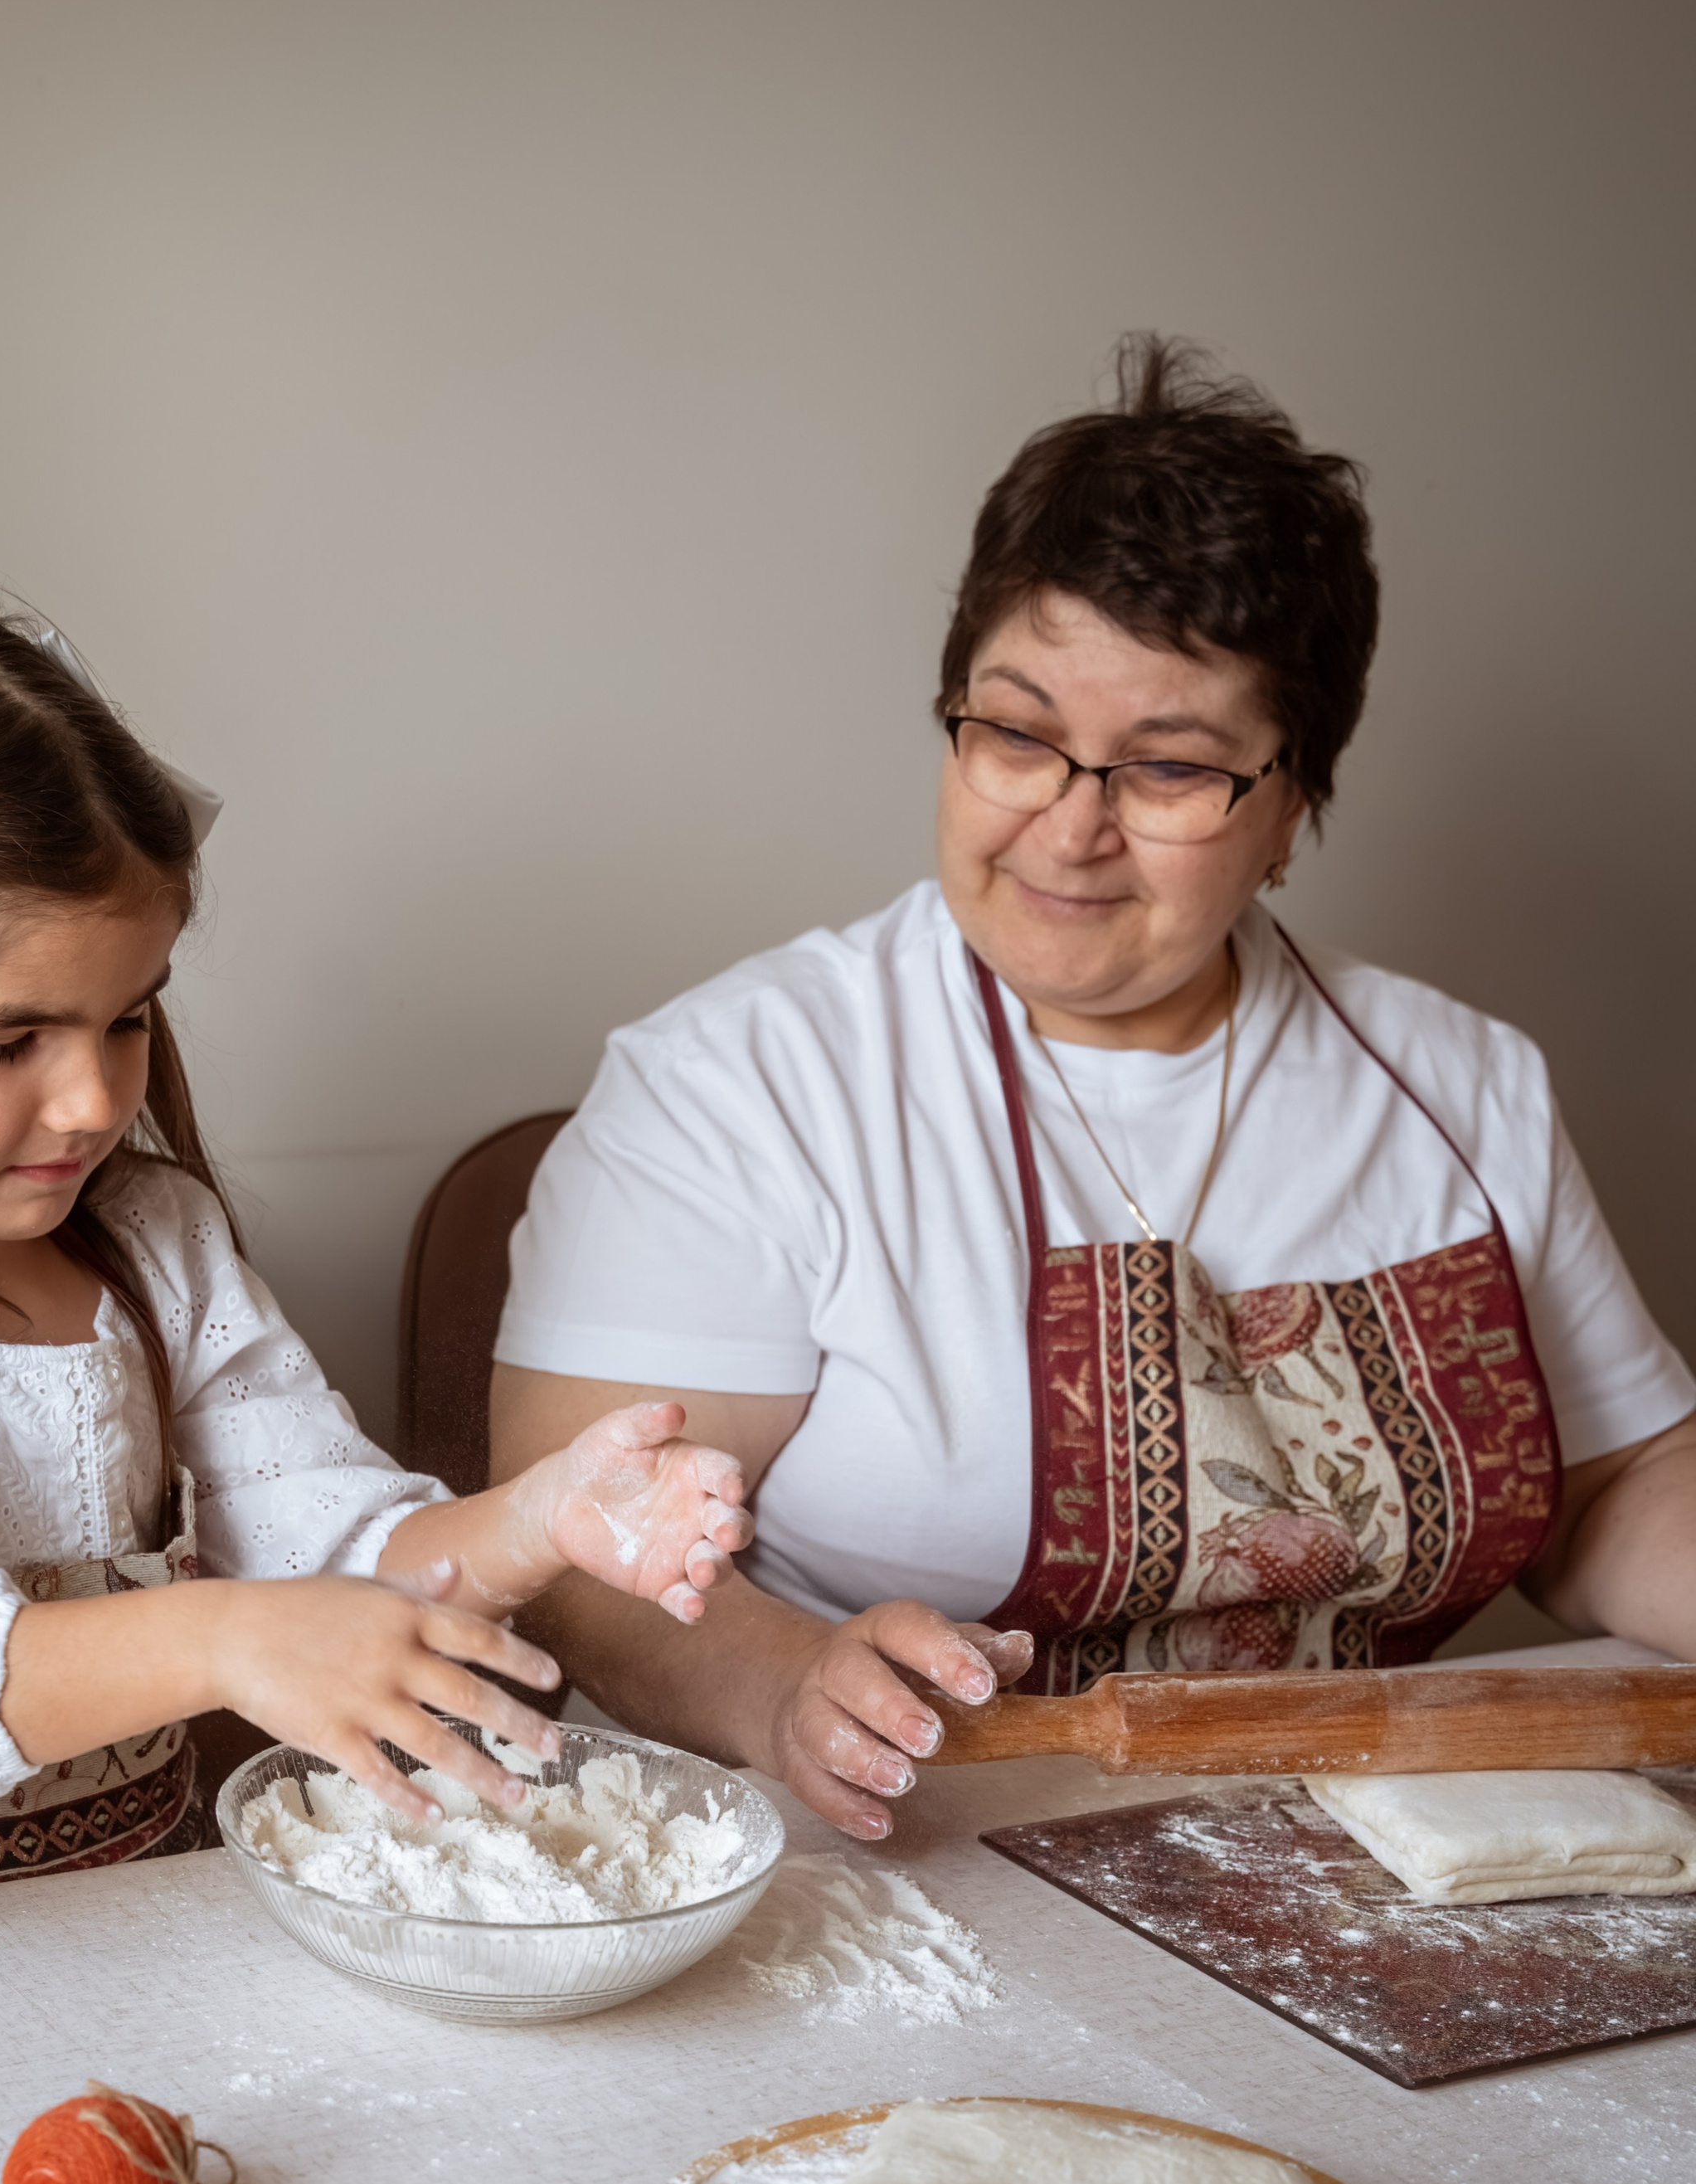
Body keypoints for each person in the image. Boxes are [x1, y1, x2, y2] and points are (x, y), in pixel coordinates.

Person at [490, 336, 1696, 1844]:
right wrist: (792, 1685)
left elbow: (1612, 1485)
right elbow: (581, 1560)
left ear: (1293, 810)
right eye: (1017, 734)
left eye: (1168, 769)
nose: (1069, 829)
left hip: (1383, 1850)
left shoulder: (1460, 1086)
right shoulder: (738, 1087)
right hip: (917, 1862)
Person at [0, 605, 751, 1920]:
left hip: (136, 1948)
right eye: (5, 1039)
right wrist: (216, 1636)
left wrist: (537, 1525)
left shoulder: (154, 1245)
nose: (89, 1099)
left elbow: (327, 1543)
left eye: (127, 1015)